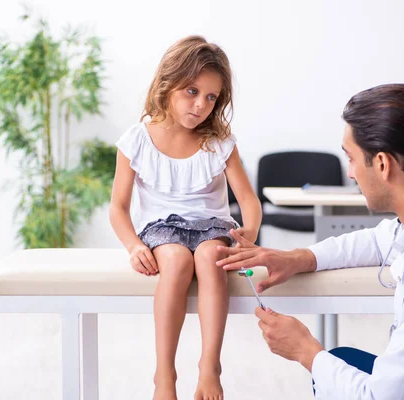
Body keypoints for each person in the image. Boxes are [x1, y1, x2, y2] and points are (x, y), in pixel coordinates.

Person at [217, 83, 404, 399]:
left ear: (382, 164)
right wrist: (300, 257)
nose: (349, 173)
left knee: (328, 367)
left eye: (351, 158)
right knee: (341, 362)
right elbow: (381, 240)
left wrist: (304, 350)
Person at [109, 36, 262, 400]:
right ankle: (164, 373)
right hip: (162, 228)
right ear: (167, 84)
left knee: (210, 258)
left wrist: (249, 232)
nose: (200, 105)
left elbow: (249, 202)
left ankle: (210, 366)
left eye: (211, 97)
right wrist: (133, 246)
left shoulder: (219, 142)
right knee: (176, 261)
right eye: (192, 91)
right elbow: (117, 207)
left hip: (212, 227)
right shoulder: (137, 140)